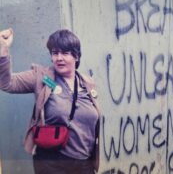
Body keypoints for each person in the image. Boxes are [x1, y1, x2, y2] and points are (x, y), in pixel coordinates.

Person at [0, 28, 100, 174]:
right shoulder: (41, 77)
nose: (59, 58)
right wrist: (3, 49)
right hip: (52, 163)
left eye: (65, 53)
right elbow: (7, 83)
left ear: (76, 57)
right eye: (55, 53)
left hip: (84, 163)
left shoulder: (87, 83)